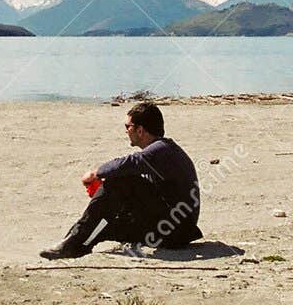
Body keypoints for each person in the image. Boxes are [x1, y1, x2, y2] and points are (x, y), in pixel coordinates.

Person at [39, 101, 201, 259]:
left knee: (120, 181)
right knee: (107, 223)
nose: (126, 132)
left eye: (127, 127)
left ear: (140, 130)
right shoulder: (161, 150)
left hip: (176, 230)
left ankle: (73, 242)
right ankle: (76, 244)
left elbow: (130, 163)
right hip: (171, 228)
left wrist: (96, 173)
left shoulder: (162, 149)